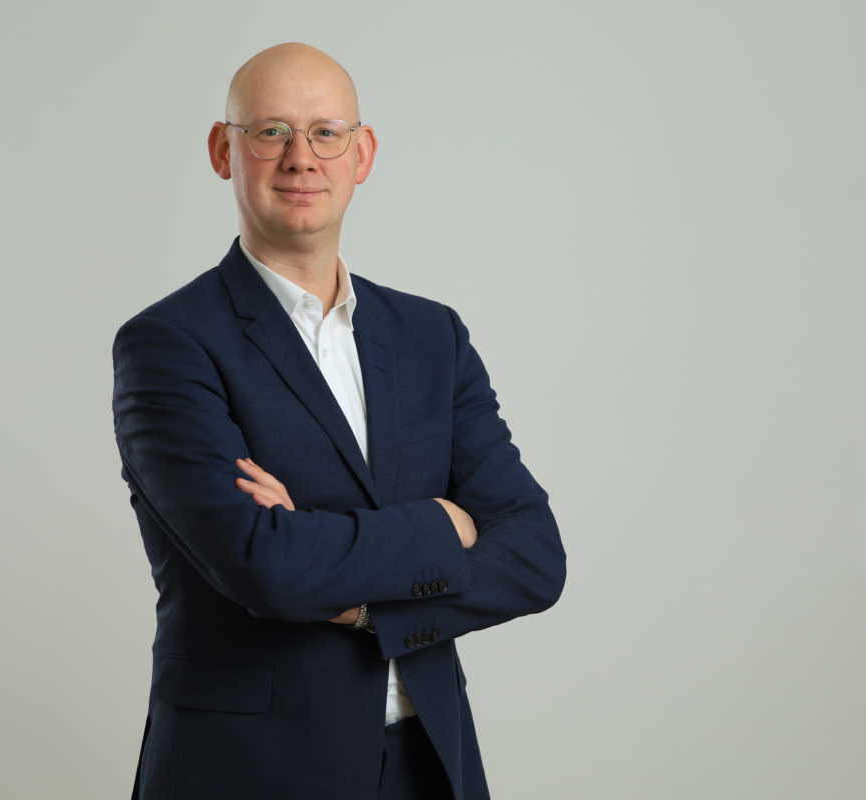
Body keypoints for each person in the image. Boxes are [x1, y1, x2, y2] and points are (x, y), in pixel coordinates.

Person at [112, 42, 565, 800]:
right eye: (271, 132)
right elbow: (265, 565)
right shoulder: (168, 343)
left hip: (431, 761)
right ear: (224, 150)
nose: (302, 157)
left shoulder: (431, 336)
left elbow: (534, 556)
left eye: (326, 133)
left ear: (363, 154)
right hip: (250, 770)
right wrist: (444, 522)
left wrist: (359, 606)